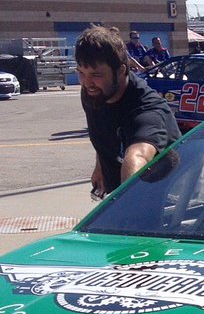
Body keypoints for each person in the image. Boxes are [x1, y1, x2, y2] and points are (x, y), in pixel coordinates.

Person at [75, 25, 180, 199]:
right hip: (121, 190)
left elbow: (137, 155)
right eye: (81, 73)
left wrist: (127, 203)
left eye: (96, 75)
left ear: (121, 70)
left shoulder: (147, 109)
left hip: (162, 191)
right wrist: (100, 167)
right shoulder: (94, 93)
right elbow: (104, 130)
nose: (87, 83)